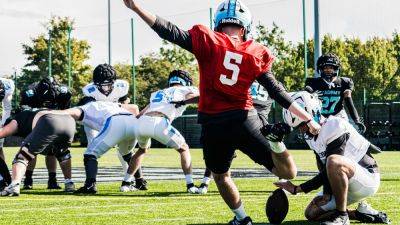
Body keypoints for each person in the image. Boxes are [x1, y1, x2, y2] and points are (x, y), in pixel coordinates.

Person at [123, 0, 321, 224]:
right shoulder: (255, 52)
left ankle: (242, 219)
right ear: (245, 26)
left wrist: (136, 7)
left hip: (213, 122)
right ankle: (276, 142)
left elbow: (170, 31)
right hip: (245, 118)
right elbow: (277, 92)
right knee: (288, 173)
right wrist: (308, 118)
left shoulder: (208, 40)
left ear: (217, 23)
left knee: (220, 175)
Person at [278, 91, 390, 225]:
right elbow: (322, 165)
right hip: (344, 181)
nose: (301, 130)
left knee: (334, 161)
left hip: (366, 179)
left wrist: (298, 188)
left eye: (302, 125)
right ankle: (359, 213)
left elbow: (333, 165)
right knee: (312, 213)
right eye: (298, 127)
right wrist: (326, 192)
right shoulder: (311, 136)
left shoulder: (334, 125)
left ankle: (342, 216)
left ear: (314, 113)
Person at [40, 97, 141, 194]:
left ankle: (90, 185)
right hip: (132, 121)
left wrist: (44, 112)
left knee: (90, 154)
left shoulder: (85, 107)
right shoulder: (108, 104)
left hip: (115, 121)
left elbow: (68, 112)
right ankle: (140, 181)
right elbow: (134, 107)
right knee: (127, 154)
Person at [122, 70, 200, 194]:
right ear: (185, 82)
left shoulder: (158, 93)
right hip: (159, 122)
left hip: (142, 123)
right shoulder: (187, 89)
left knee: (141, 150)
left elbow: (141, 113)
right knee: (184, 148)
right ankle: (190, 185)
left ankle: (126, 183)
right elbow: (195, 98)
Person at [198, 81, 274, 194]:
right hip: (258, 125)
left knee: (217, 156)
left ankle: (205, 183)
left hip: (238, 119)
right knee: (273, 157)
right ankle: (284, 179)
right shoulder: (271, 84)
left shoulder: (242, 78)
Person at [82, 64, 147, 190]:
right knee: (92, 148)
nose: (106, 88)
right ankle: (90, 182)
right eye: (102, 85)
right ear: (95, 83)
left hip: (117, 120)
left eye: (109, 85)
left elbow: (127, 104)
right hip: (97, 121)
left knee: (125, 152)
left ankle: (134, 179)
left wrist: (116, 107)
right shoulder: (89, 90)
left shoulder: (121, 87)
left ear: (114, 82)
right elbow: (89, 109)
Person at [0, 109, 75, 196]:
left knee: (22, 156)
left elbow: (3, 132)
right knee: (62, 153)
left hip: (49, 121)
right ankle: (69, 183)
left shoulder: (17, 119)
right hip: (69, 122)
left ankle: (14, 185)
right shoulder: (31, 114)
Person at [19, 77, 71, 190]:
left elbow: (67, 110)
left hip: (55, 121)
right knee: (31, 150)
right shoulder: (30, 93)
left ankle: (52, 180)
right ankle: (28, 180)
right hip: (35, 122)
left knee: (53, 152)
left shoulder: (62, 93)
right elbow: (23, 110)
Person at [305, 53, 366, 133]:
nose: (328, 70)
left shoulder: (345, 82)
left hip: (338, 115)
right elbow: (306, 99)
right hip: (319, 116)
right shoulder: (313, 82)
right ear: (321, 69)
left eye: (331, 67)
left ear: (336, 68)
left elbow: (348, 100)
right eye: (325, 67)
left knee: (344, 137)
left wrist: (356, 119)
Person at [0, 78, 14, 190]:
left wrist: (3, 126)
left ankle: (5, 180)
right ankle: (6, 180)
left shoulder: (8, 86)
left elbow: (7, 108)